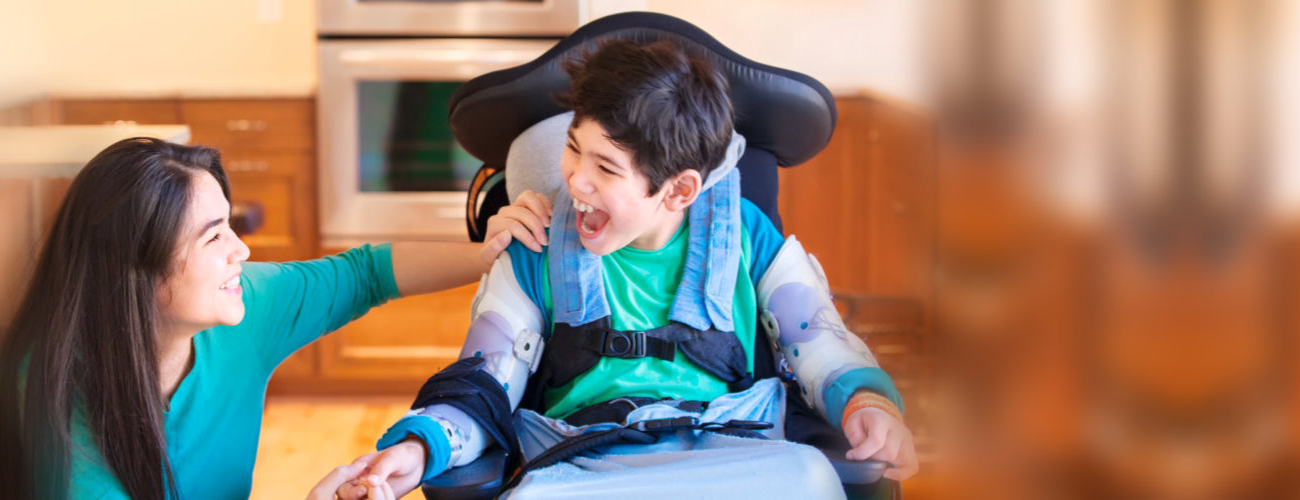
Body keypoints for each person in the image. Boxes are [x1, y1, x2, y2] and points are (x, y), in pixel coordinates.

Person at [325, 39, 919, 499]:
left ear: (680, 189)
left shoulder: (746, 237)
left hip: (735, 461)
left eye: (607, 168)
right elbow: (483, 380)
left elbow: (819, 342)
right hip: (585, 467)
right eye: (574, 148)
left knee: (813, 478)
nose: (576, 180)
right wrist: (420, 447)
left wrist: (869, 403)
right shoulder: (537, 244)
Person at [0, 137, 495, 499]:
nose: (242, 249)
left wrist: (494, 254)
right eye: (213, 237)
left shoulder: (245, 308)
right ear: (134, 271)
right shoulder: (59, 397)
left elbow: (367, 273)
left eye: (229, 225)